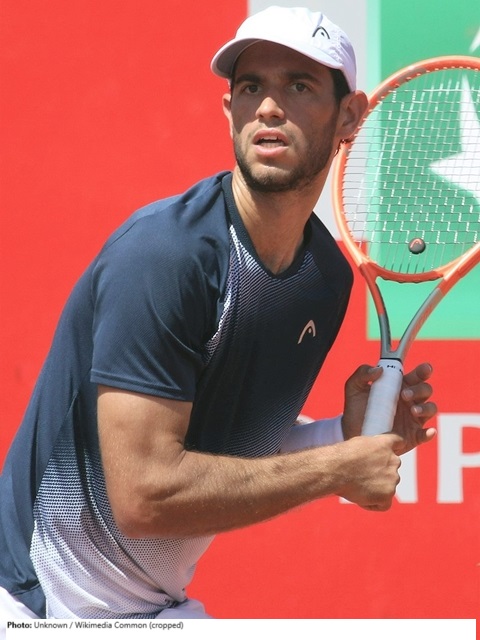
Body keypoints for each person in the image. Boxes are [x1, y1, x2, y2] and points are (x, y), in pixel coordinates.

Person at [0, 6, 437, 623]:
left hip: (152, 611)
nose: (268, 107)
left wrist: (341, 435)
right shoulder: (164, 257)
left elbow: (228, 446)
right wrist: (335, 468)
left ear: (349, 116)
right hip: (34, 607)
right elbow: (146, 495)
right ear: (229, 110)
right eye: (251, 87)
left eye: (299, 85)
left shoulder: (323, 281)